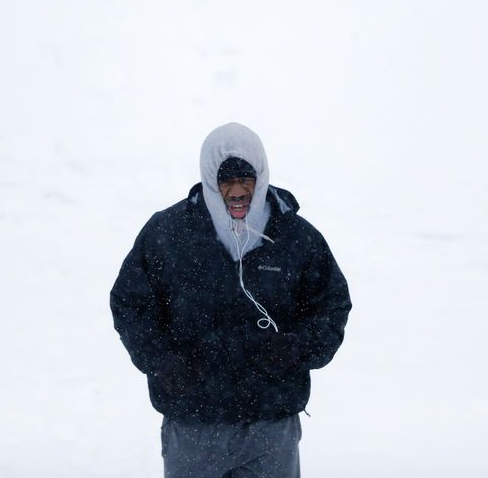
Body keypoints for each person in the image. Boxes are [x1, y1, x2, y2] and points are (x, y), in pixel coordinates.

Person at [110, 122, 351, 478]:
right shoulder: (167, 234)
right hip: (193, 424)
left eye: (246, 179)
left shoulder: (296, 237)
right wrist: (161, 360)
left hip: (271, 427)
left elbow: (331, 305)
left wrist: (297, 347)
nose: (237, 191)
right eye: (226, 180)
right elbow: (130, 303)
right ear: (210, 179)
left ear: (262, 175)